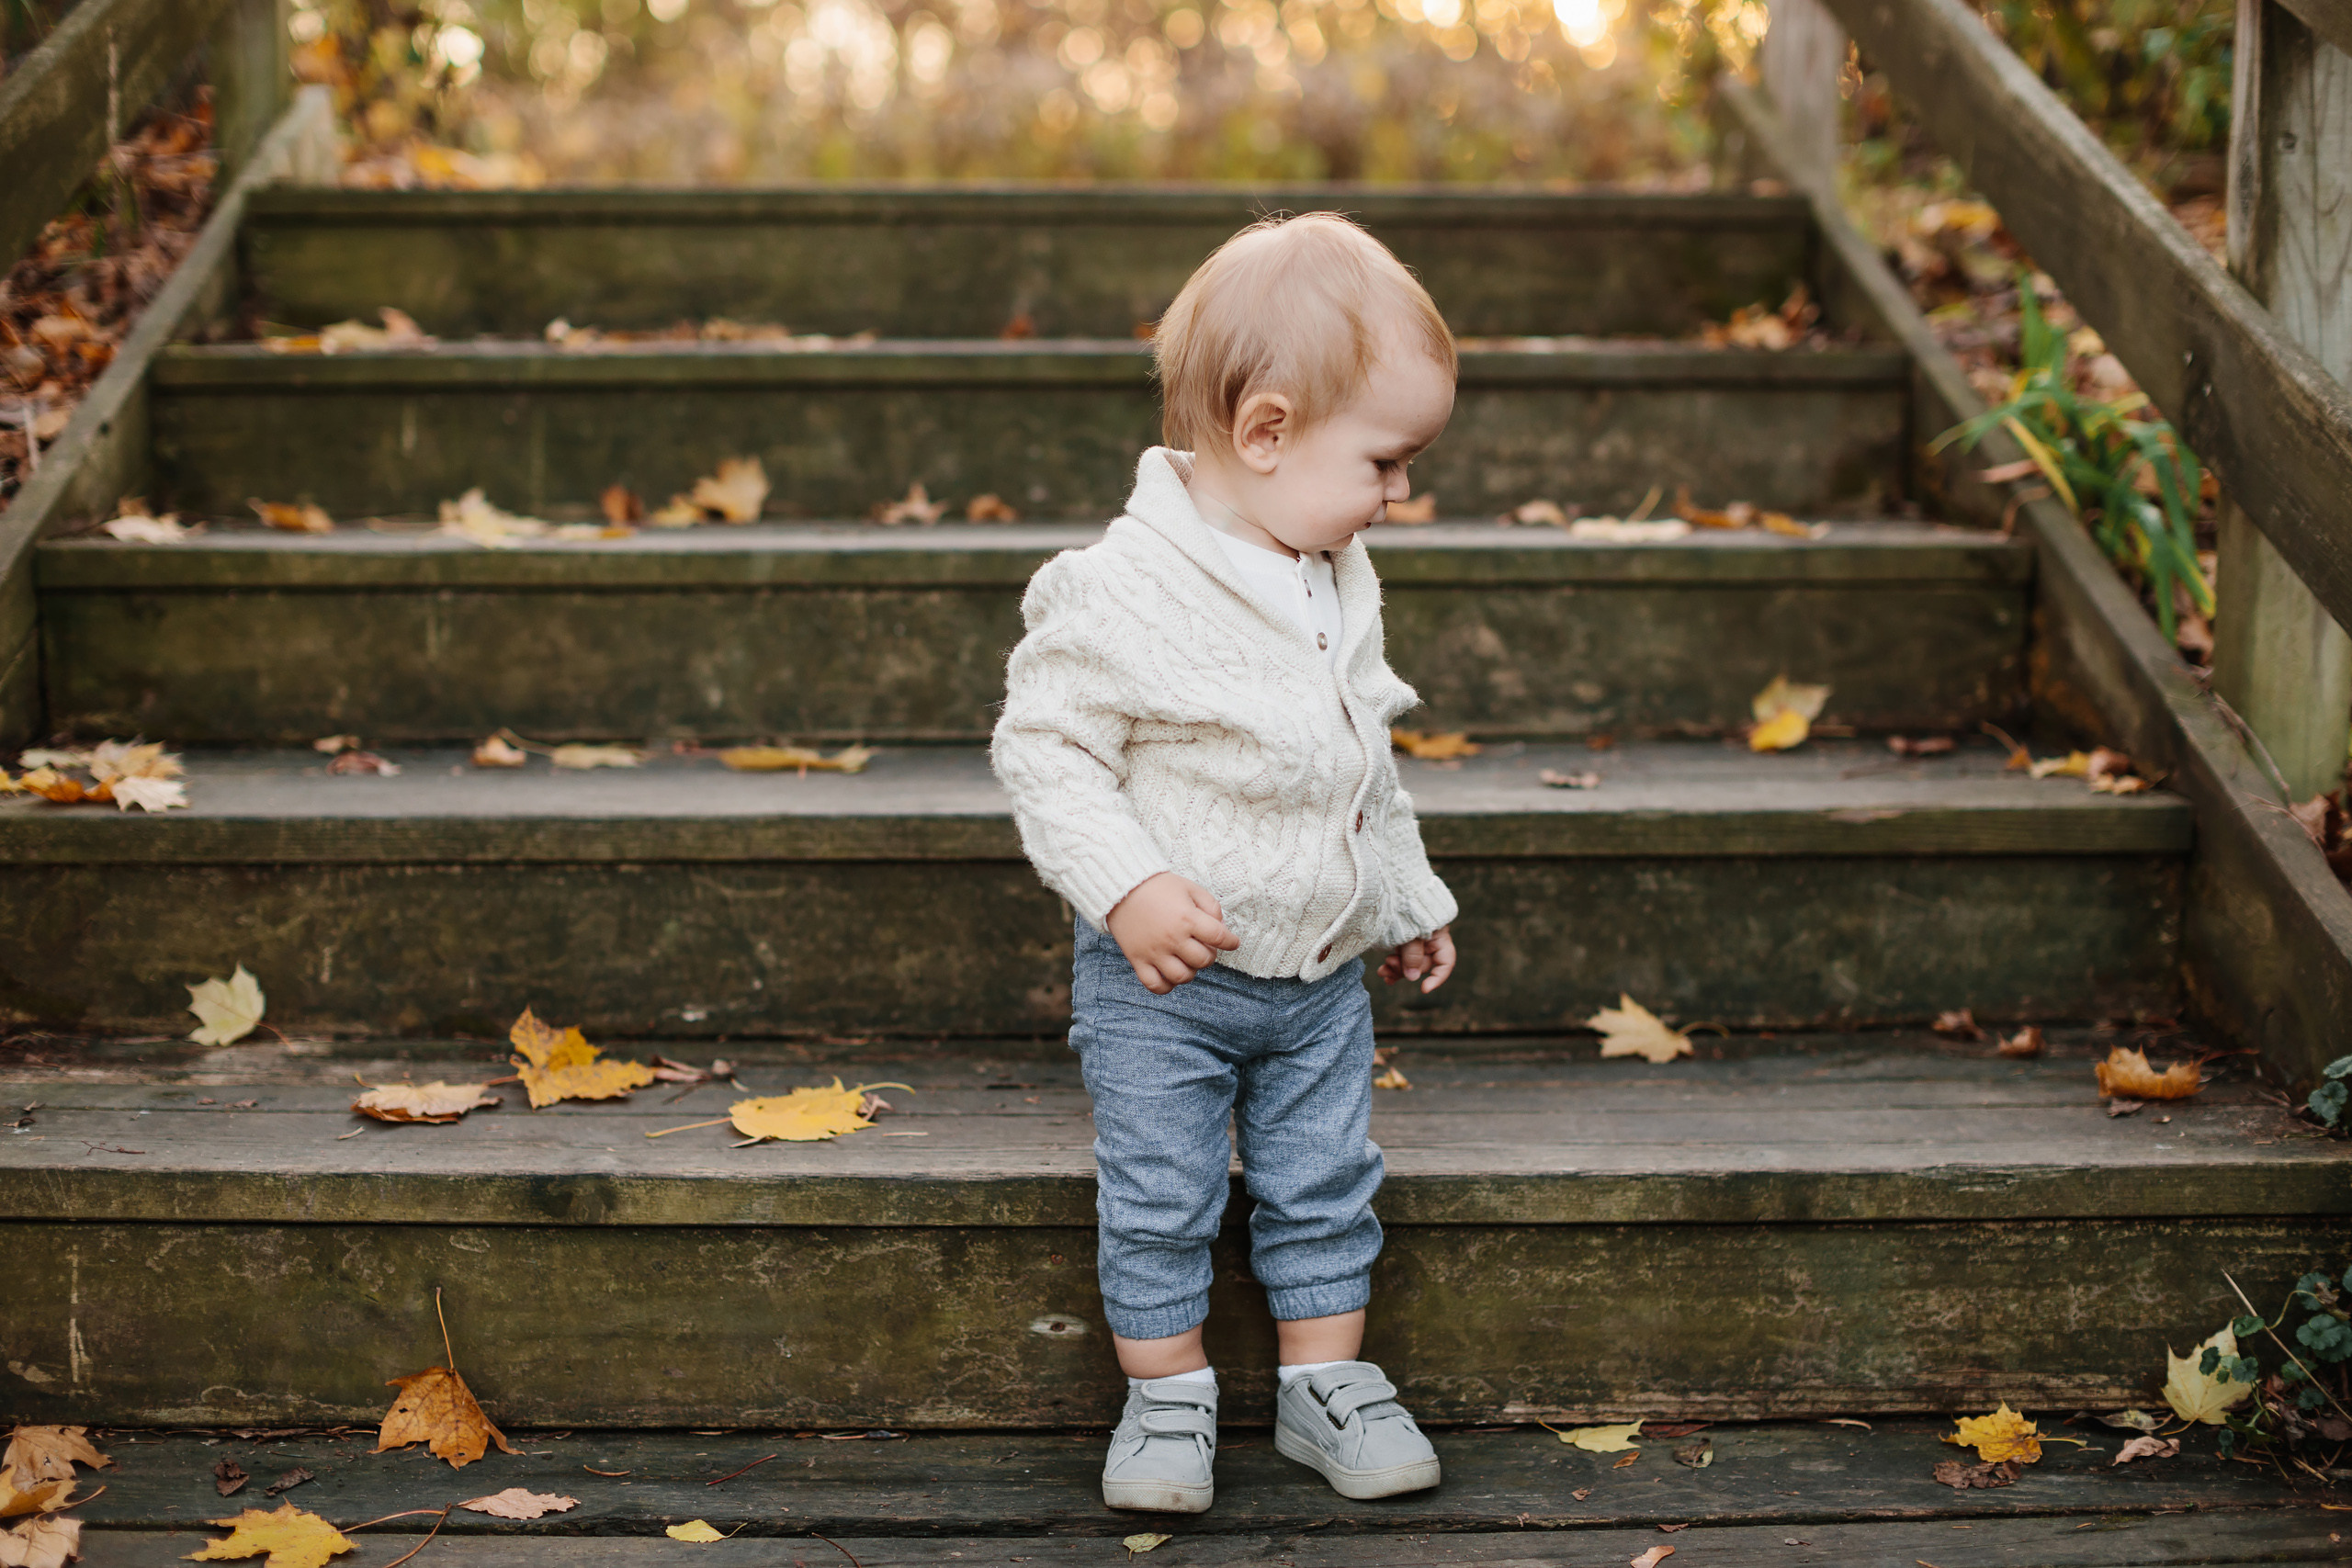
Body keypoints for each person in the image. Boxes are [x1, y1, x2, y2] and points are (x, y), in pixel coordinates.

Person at [990, 211, 1461, 1513]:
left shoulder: (1332, 575)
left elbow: (1364, 756)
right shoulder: (1119, 587)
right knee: (1164, 1192)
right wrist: (1127, 888)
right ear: (1266, 432)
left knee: (1324, 1182)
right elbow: (1048, 754)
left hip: (1314, 977)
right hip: (1167, 987)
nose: (1400, 494)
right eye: (1386, 461)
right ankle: (1166, 1396)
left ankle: (1327, 1389)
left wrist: (1404, 900)